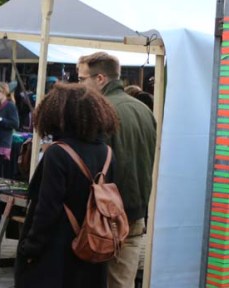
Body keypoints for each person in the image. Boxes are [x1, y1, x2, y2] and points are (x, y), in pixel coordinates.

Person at [15, 83, 120, 288]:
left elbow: (46, 209)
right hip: (92, 251)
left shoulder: (58, 153)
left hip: (57, 256)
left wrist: (30, 248)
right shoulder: (107, 153)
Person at [77, 52, 157, 288]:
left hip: (104, 215)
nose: (79, 85)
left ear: (100, 78)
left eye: (83, 79)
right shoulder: (144, 110)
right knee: (122, 283)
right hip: (134, 212)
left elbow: (91, 164)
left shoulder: (100, 110)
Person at [0, 82, 20, 179]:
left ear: (4, 92)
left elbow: (16, 124)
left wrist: (1, 120)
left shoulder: (10, 106)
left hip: (3, 144)